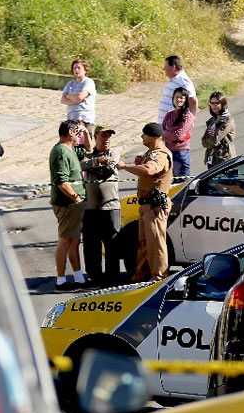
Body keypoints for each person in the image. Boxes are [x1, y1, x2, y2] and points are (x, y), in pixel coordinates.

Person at [116, 123, 172, 282]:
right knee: (145, 245)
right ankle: (142, 277)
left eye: (145, 134)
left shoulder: (159, 155)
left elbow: (150, 170)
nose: (142, 137)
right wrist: (140, 162)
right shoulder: (152, 152)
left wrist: (126, 166)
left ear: (153, 137)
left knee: (156, 245)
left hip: (154, 207)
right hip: (147, 206)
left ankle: (158, 278)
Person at [79, 126, 122, 287]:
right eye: (103, 135)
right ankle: (94, 275)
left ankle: (112, 277)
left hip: (110, 206)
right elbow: (79, 166)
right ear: (95, 136)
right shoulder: (89, 154)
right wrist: (96, 161)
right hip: (90, 207)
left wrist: (91, 165)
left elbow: (108, 170)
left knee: (112, 243)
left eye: (109, 136)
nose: (107, 139)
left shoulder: (114, 153)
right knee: (91, 245)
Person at [49, 120, 88, 291]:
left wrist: (86, 132)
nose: (79, 135)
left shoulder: (71, 150)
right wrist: (76, 198)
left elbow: (89, 149)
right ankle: (60, 280)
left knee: (74, 241)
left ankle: (78, 277)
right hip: (68, 204)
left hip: (74, 204)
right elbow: (61, 181)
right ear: (70, 132)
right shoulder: (60, 152)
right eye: (78, 132)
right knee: (65, 241)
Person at [162, 86, 196, 178]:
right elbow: (161, 132)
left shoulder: (188, 116)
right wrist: (169, 134)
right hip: (168, 152)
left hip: (181, 153)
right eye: (176, 97)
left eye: (181, 97)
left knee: (181, 182)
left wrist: (167, 133)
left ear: (186, 100)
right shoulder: (169, 114)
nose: (179, 100)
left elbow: (179, 136)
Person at [60, 58, 97, 136]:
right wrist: (75, 100)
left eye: (79, 68)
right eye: (74, 68)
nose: (76, 70)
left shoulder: (88, 82)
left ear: (85, 70)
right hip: (71, 119)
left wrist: (69, 96)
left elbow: (80, 97)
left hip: (85, 119)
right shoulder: (70, 84)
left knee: (84, 145)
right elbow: (63, 100)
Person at [202, 91, 236, 169]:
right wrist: (210, 143)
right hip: (211, 158)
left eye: (217, 103)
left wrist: (210, 141)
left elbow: (215, 139)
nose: (214, 106)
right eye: (212, 103)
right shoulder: (211, 121)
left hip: (224, 159)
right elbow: (203, 141)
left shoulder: (228, 120)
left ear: (222, 104)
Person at [158, 55, 197, 123]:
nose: (164, 69)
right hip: (165, 122)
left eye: (166, 67)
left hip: (174, 124)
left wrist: (191, 119)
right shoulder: (174, 80)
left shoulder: (183, 81)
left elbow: (193, 100)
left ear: (173, 67)